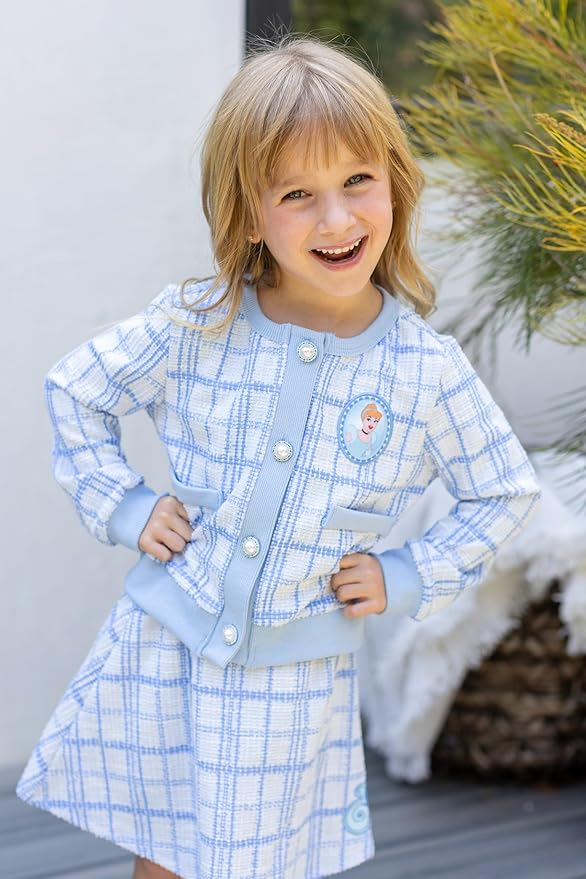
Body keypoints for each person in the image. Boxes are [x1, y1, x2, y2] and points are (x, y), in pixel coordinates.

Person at [15, 35, 541, 879]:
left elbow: (502, 490)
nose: (337, 219)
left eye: (357, 180)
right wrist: (124, 504)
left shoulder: (423, 370)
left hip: (288, 684)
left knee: (254, 863)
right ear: (249, 213)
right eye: (298, 193)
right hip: (168, 645)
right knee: (164, 855)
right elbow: (77, 390)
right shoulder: (201, 321)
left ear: (395, 183)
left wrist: (408, 572)